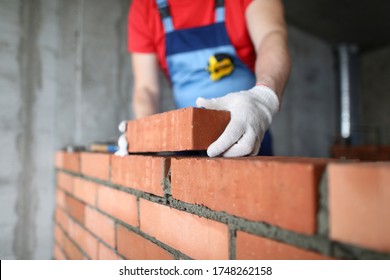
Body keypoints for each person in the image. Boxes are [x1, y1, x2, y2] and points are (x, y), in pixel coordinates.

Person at [125, 0, 291, 157]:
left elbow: (271, 36)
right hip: (184, 145)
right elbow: (146, 89)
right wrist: (144, 135)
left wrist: (263, 97)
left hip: (248, 133)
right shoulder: (145, 6)